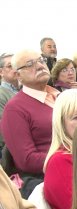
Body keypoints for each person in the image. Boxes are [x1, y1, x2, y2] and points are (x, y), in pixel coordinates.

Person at [2, 50, 59, 185]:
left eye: (41, 60)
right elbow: (26, 160)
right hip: (48, 178)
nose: (40, 66)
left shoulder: (60, 96)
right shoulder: (15, 109)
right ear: (18, 75)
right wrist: (71, 158)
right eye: (30, 64)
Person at [0, 53, 20, 149]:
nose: (15, 69)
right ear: (1, 72)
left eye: (16, 65)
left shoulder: (26, 89)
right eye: (10, 66)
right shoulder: (1, 95)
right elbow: (3, 130)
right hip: (12, 149)